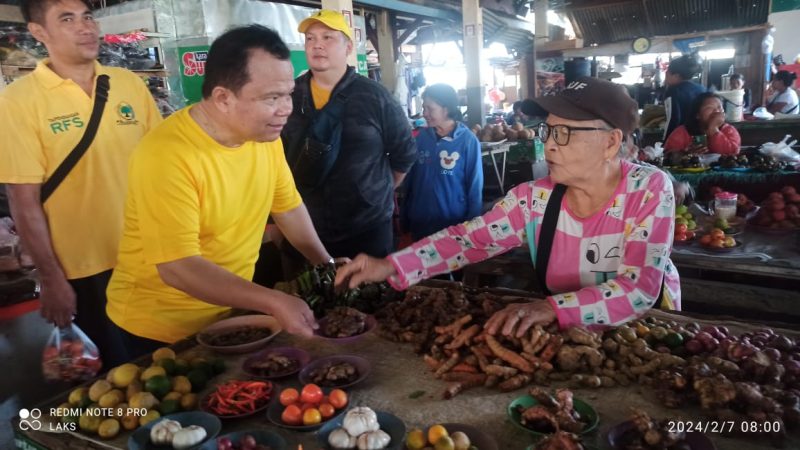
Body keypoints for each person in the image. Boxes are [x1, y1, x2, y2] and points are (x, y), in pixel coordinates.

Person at [336, 76, 681, 336]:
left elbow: (638, 288)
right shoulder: (534, 199)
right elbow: (467, 241)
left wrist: (550, 307)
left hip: (642, 334)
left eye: (563, 134)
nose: (549, 148)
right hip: (568, 333)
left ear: (610, 142)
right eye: (547, 132)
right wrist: (392, 265)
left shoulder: (647, 189)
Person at [106, 25, 334, 357]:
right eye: (271, 98)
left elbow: (288, 208)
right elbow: (178, 266)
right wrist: (272, 299)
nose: (286, 108)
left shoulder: (262, 137)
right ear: (223, 98)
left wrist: (325, 265)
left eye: (288, 94)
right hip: (159, 330)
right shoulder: (167, 154)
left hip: (231, 312)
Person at [0, 0, 161, 366]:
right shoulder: (19, 101)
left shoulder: (127, 84)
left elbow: (160, 165)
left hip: (147, 257)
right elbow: (23, 201)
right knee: (118, 377)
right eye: (67, 19)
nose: (85, 27)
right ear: (39, 32)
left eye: (88, 16)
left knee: (164, 362)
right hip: (83, 270)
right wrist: (51, 277)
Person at [280, 10, 416, 267]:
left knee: (370, 302)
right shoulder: (288, 96)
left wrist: (372, 194)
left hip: (366, 231)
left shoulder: (375, 97)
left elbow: (405, 153)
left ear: (348, 47)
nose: (317, 44)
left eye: (328, 37)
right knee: (305, 303)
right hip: (303, 230)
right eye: (310, 38)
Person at [401, 83, 483, 242]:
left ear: (446, 109)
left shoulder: (467, 141)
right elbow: (410, 182)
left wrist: (473, 225)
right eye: (424, 108)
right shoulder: (419, 138)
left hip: (452, 225)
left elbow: (474, 185)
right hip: (420, 224)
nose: (424, 114)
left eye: (430, 109)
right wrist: (405, 217)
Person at [664, 93, 741, 155]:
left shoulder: (729, 130)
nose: (717, 111)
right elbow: (667, 156)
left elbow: (732, 153)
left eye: (720, 107)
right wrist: (686, 154)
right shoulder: (682, 132)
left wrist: (713, 129)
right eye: (709, 108)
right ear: (697, 114)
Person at [663, 54, 706, 137]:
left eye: (667, 74)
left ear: (676, 75)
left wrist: (666, 141)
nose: (666, 77)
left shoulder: (673, 91)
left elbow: (673, 119)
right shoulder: (701, 88)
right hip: (701, 135)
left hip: (682, 137)